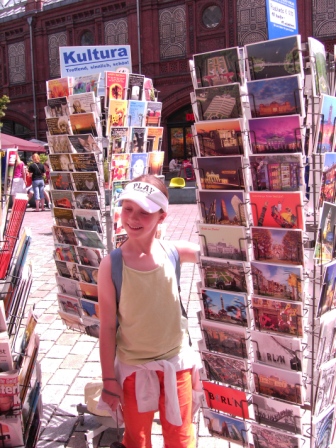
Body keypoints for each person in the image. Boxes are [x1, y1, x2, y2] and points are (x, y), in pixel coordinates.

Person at [98, 174, 202, 448]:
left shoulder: (173, 252)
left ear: (162, 216)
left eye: (145, 212)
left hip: (176, 365)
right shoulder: (111, 265)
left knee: (181, 438)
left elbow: (210, 252)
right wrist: (109, 379)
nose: (133, 218)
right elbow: (107, 326)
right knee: (136, 439)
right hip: (134, 370)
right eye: (128, 208)